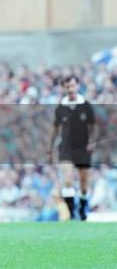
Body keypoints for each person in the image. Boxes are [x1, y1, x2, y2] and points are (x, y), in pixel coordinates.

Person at [49, 75, 97, 220]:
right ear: (64, 88)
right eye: (67, 86)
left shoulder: (86, 105)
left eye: (73, 86)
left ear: (77, 86)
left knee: (84, 183)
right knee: (68, 180)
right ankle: (70, 213)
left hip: (83, 148)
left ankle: (82, 209)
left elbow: (93, 125)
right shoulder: (61, 107)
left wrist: (92, 140)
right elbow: (55, 128)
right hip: (66, 148)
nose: (70, 89)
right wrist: (49, 148)